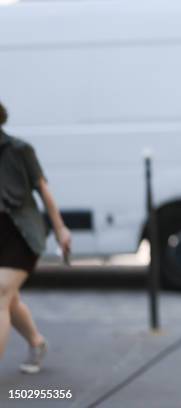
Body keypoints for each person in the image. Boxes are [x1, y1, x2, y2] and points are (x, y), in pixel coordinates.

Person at [0, 100, 71, 374]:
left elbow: (44, 190)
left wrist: (61, 228)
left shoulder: (19, 149)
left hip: (20, 233)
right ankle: (36, 342)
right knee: (10, 298)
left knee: (1, 293)